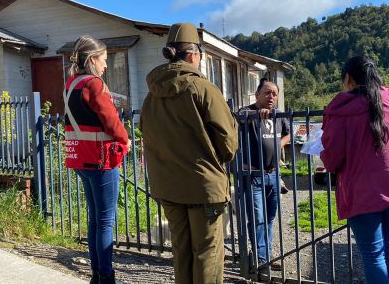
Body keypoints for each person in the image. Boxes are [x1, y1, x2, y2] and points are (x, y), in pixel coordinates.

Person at [141, 23, 238, 284]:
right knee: (207, 253)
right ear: (194, 54)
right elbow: (228, 145)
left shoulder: (151, 96)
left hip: (169, 187)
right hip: (203, 187)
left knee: (181, 252)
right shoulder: (203, 89)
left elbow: (148, 137)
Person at [320, 55, 389, 284]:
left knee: (373, 254)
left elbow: (332, 159)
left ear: (348, 78)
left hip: (363, 189)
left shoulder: (340, 107)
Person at [63, 35, 130, 284]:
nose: (105, 65)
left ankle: (97, 276)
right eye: (103, 60)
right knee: (105, 222)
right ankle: (107, 277)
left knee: (94, 220)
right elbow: (111, 121)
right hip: (101, 160)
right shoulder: (95, 84)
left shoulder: (71, 83)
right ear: (92, 60)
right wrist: (125, 140)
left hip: (80, 158)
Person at [238, 78, 290, 272]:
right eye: (267, 93)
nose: (271, 97)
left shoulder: (278, 115)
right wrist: (255, 115)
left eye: (274, 94)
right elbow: (238, 119)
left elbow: (288, 133)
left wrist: (279, 143)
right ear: (257, 95)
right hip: (253, 176)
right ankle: (260, 259)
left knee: (268, 218)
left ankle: (265, 255)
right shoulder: (245, 112)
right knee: (257, 218)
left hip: (274, 175)